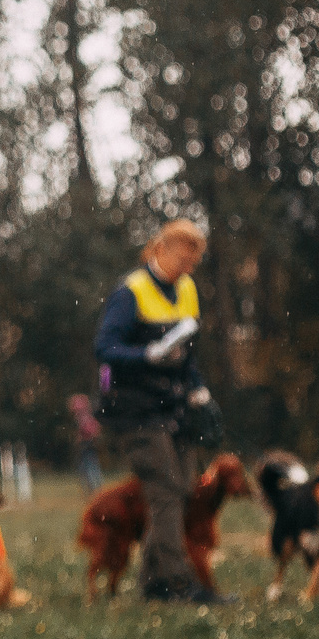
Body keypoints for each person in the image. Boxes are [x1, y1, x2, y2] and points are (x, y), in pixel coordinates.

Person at [94, 218, 227, 604]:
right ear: (162, 249)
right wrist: (145, 355)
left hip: (176, 408)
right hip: (136, 412)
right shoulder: (129, 293)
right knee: (167, 490)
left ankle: (154, 584)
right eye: (185, 259)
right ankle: (176, 584)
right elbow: (104, 348)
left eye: (194, 262)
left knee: (182, 490)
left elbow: (188, 351)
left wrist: (198, 387)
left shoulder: (186, 289)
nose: (189, 268)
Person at [68, 391, 104, 494]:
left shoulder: (83, 417)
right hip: (89, 445)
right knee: (89, 468)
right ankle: (94, 490)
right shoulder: (85, 416)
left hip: (87, 444)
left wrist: (80, 438)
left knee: (89, 468)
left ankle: (94, 490)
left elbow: (88, 431)